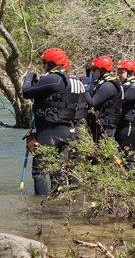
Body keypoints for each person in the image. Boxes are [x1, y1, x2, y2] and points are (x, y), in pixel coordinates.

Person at [22, 47, 87, 196]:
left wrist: (29, 77)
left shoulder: (53, 78)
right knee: (58, 171)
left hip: (51, 131)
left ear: (50, 64)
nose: (42, 66)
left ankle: (42, 209)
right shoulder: (75, 81)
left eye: (44, 63)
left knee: (39, 172)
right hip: (72, 132)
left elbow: (26, 92)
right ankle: (62, 205)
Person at [115, 59, 135, 170]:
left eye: (121, 72)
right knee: (119, 157)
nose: (118, 75)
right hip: (124, 125)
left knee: (128, 159)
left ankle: (131, 182)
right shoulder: (126, 85)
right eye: (118, 71)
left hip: (131, 126)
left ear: (130, 73)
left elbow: (121, 99)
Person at [84, 55, 124, 143]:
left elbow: (92, 102)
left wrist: (85, 86)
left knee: (102, 154)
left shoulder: (108, 85)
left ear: (101, 70)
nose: (92, 72)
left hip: (107, 128)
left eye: (94, 70)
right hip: (101, 125)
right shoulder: (103, 82)